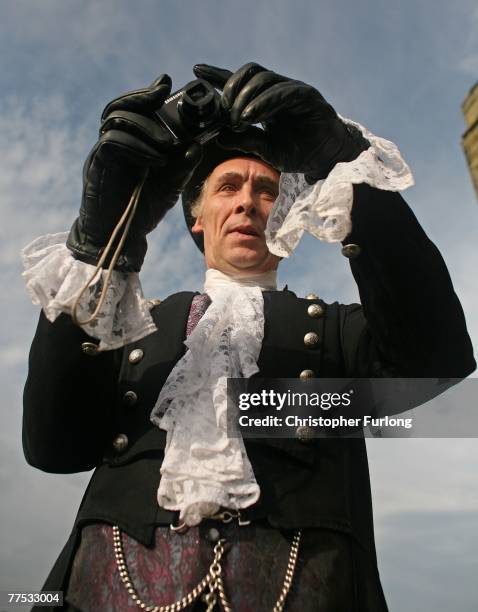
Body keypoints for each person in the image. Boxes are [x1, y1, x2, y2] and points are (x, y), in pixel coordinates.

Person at [22, 63, 475, 612]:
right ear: (197, 216)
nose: (246, 202)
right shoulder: (132, 326)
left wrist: (341, 159)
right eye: (228, 187)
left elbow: (435, 357)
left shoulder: (333, 334)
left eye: (266, 190)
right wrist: (100, 245)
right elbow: (53, 446)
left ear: (286, 214)